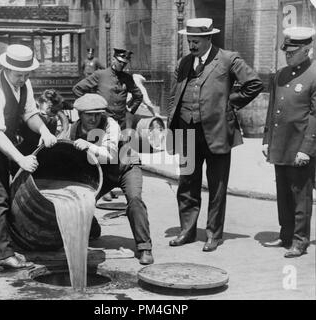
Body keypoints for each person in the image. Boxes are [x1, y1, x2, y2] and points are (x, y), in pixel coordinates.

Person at [167, 18, 263, 252]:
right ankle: (187, 231)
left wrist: (229, 104)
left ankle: (214, 234)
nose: (192, 45)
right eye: (189, 40)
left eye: (196, 41)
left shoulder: (229, 59)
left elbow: (254, 84)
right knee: (187, 183)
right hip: (186, 131)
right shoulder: (185, 61)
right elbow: (174, 94)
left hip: (217, 131)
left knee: (217, 186)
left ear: (209, 38)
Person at [0, 44, 57, 268]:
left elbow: (30, 113)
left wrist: (44, 130)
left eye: (27, 74)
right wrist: (21, 159)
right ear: (7, 68)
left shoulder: (24, 83)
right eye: (19, 75)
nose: (23, 79)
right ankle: (4, 254)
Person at [68, 93, 154, 265]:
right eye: (89, 114)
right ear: (80, 115)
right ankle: (92, 229)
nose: (93, 118)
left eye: (97, 114)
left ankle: (145, 247)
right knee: (82, 198)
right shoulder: (75, 129)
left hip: (126, 167)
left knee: (135, 200)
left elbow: (111, 154)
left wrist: (89, 145)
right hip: (103, 172)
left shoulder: (110, 124)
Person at [262, 27, 316, 258]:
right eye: (286, 51)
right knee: (283, 192)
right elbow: (272, 109)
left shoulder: (314, 75)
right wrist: (266, 139)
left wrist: (307, 149)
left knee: (300, 195)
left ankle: (300, 240)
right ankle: (286, 234)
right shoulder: (281, 74)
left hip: (300, 146)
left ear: (307, 50)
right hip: (280, 144)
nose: (288, 55)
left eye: (293, 52)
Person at [73, 48, 143, 130]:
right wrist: (90, 106)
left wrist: (131, 110)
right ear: (113, 59)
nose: (122, 65)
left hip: (121, 123)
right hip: (102, 122)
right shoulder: (100, 75)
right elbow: (77, 89)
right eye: (119, 62)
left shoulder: (127, 78)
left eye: (124, 63)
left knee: (123, 142)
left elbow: (138, 96)